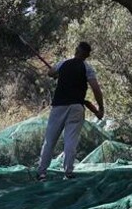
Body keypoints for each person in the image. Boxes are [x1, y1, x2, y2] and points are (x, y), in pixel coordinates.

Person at [37, 41, 105, 180]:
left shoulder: (63, 63)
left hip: (59, 106)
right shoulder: (87, 68)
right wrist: (100, 108)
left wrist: (56, 74)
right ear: (87, 55)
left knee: (50, 140)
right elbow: (96, 89)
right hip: (76, 107)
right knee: (71, 141)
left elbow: (50, 72)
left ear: (76, 51)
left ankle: (42, 172)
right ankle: (68, 172)